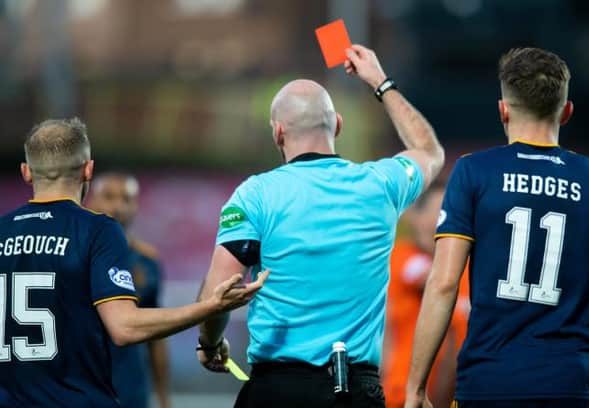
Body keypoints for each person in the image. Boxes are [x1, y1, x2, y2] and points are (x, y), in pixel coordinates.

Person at [194, 44, 445, 408]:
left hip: (277, 390)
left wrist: (210, 343)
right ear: (338, 125)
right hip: (358, 392)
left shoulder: (255, 196)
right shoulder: (381, 185)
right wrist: (380, 82)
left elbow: (220, 293)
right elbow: (429, 150)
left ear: (278, 133)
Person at [405, 47, 589, 408]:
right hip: (571, 385)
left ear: (503, 110)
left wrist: (416, 388)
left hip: (487, 382)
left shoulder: (473, 172)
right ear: (567, 111)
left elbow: (445, 282)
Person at [0, 118, 268, 408]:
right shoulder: (96, 230)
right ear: (88, 169)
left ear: (26, 172)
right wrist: (210, 307)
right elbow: (125, 327)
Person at [87, 173, 171, 408]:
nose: (118, 206)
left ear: (136, 206)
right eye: (109, 197)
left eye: (126, 199)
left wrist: (164, 398)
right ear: (91, 201)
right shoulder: (75, 255)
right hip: (84, 387)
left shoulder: (147, 261)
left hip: (131, 390)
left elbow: (157, 335)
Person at [383, 185, 469, 408]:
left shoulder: (470, 269)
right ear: (414, 217)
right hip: (401, 397)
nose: (440, 223)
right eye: (436, 213)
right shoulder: (402, 257)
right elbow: (427, 278)